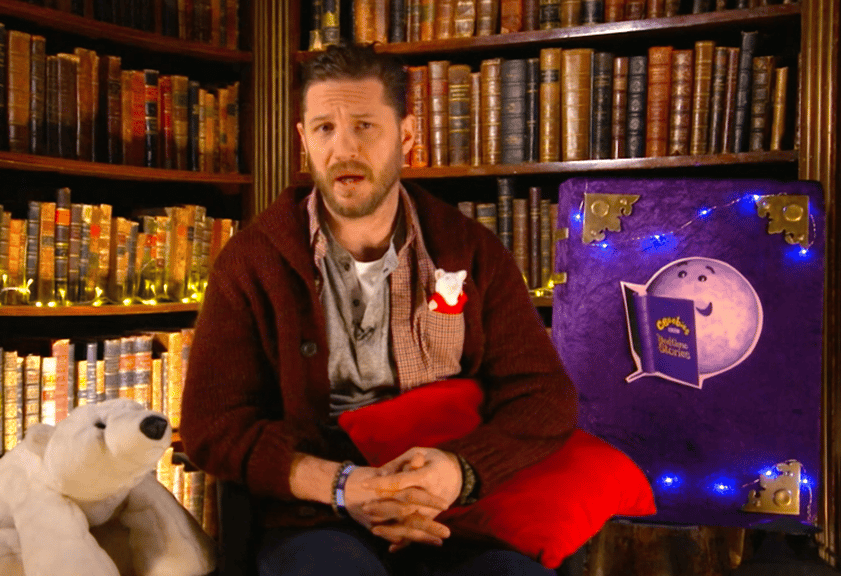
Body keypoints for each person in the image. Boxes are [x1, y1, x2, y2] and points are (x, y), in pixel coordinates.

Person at [179, 43, 578, 576]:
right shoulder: (250, 263)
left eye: (364, 125)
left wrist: (462, 471)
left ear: (407, 137)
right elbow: (211, 427)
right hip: (318, 515)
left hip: (454, 509)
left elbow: (544, 396)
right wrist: (345, 486)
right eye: (324, 128)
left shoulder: (473, 250)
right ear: (303, 141)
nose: (343, 148)